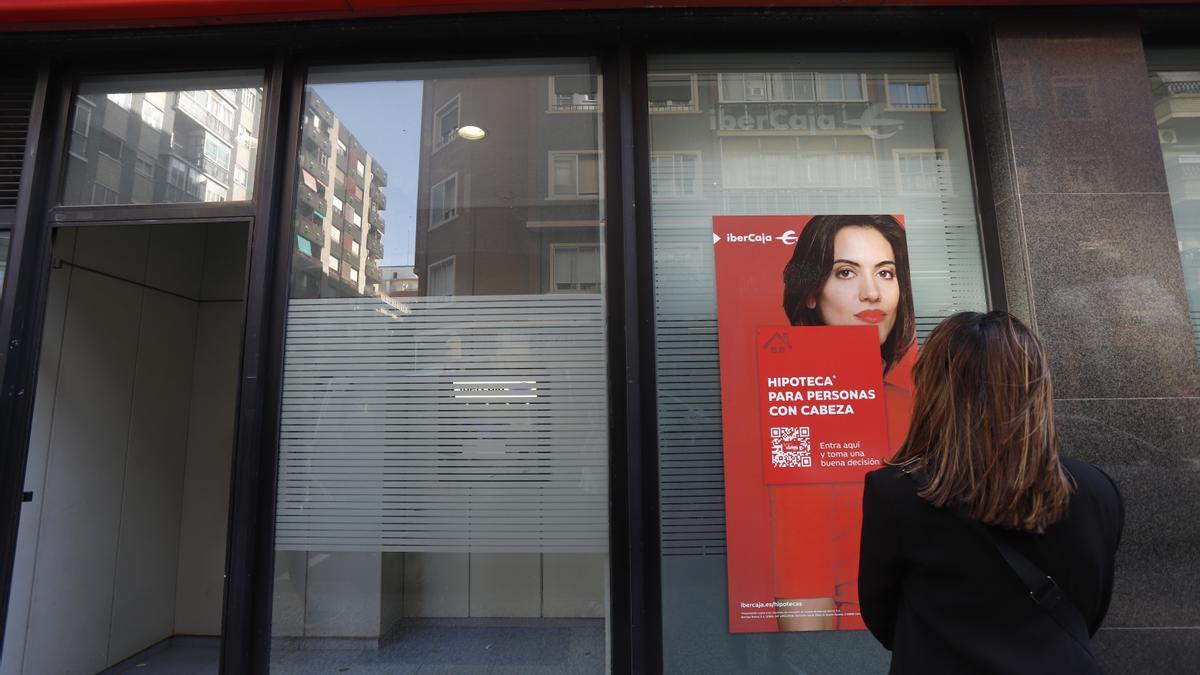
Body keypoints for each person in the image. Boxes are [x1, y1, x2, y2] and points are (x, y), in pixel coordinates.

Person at [858, 311, 1123, 673]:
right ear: (1036, 385)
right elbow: (1090, 607)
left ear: (933, 387)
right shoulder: (1095, 489)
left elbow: (882, 615)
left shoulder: (897, 493)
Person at [772, 214, 917, 631]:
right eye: (846, 272)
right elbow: (803, 580)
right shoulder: (800, 400)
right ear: (812, 292)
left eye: (885, 273)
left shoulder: (931, 395)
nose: (872, 293)